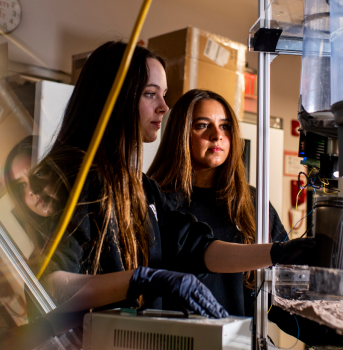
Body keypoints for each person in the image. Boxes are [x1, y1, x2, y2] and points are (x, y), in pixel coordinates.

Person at [0, 41, 313, 349]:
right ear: (113, 97)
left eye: (163, 95)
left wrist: (277, 253)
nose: (164, 106)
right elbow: (48, 285)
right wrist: (141, 279)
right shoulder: (69, 177)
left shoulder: (139, 186)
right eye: (151, 94)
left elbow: (196, 247)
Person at [147, 88, 343, 347]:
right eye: (202, 125)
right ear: (180, 134)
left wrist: (334, 333)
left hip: (242, 343)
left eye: (225, 126)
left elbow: (280, 294)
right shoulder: (159, 203)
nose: (217, 136)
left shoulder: (251, 203)